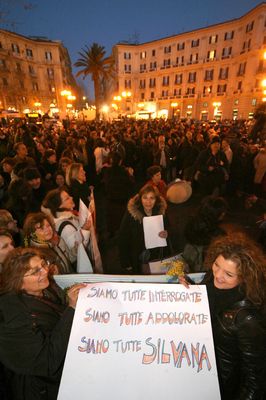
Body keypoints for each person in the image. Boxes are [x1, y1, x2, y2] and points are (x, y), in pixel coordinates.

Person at [180, 233, 266, 400]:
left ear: (244, 278)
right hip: (196, 373)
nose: (218, 275)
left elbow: (255, 381)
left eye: (229, 274)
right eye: (216, 265)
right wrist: (188, 290)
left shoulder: (247, 319)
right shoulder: (210, 279)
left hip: (222, 389)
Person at [0, 247, 85, 400]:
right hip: (41, 390)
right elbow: (47, 361)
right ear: (18, 283)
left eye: (43, 264)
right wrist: (71, 308)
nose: (45, 271)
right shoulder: (12, 316)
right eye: (35, 272)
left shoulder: (45, 288)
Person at [118, 184, 169, 274]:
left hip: (157, 255)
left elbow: (169, 227)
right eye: (145, 198)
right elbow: (123, 237)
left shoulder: (160, 211)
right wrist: (125, 262)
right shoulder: (132, 214)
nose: (148, 202)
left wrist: (167, 233)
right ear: (140, 199)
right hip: (137, 255)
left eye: (152, 198)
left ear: (156, 199)